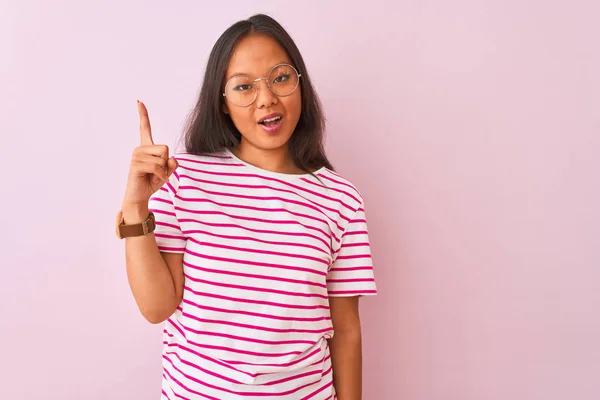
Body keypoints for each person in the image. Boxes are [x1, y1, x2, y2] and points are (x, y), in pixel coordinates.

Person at [116, 13, 377, 400]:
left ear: (300, 84)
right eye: (243, 87)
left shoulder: (340, 199)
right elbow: (157, 308)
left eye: (281, 77)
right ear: (222, 103)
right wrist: (136, 205)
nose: (267, 98)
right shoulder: (184, 177)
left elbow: (347, 329)